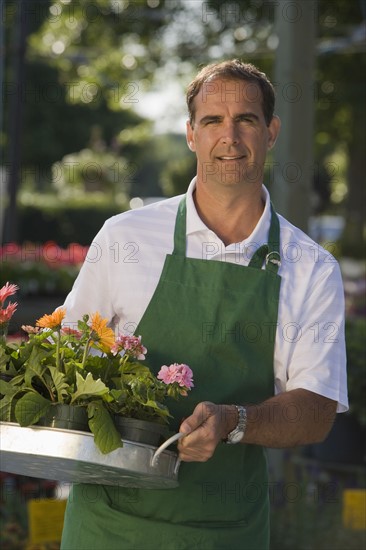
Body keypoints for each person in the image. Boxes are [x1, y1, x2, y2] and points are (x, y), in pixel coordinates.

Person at [60, 59, 348, 550]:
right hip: (108, 523)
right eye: (213, 121)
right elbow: (67, 357)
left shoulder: (311, 268)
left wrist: (233, 421)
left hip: (224, 529)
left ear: (271, 131)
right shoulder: (125, 237)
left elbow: (316, 409)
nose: (229, 137)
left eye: (246, 120)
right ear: (191, 134)